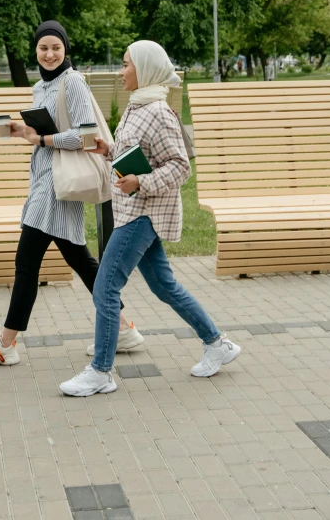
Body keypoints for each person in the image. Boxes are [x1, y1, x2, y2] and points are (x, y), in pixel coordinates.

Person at [60, 40, 241, 396]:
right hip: (134, 209)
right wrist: (107, 149)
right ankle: (217, 344)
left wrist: (140, 182)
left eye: (127, 65)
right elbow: (135, 154)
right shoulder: (137, 105)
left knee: (105, 288)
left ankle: (101, 372)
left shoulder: (158, 110)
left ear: (145, 69)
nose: (121, 71)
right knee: (164, 286)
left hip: (142, 213)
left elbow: (180, 168)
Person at [0, 21, 143, 367]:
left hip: (58, 185)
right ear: (36, 50)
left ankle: (5, 344)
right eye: (43, 48)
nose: (49, 54)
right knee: (80, 260)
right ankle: (122, 327)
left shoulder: (72, 81)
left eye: (56, 48)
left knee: (27, 262)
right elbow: (46, 130)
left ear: (65, 50)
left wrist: (42, 140)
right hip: (48, 181)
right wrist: (20, 130)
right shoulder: (39, 87)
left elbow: (85, 136)